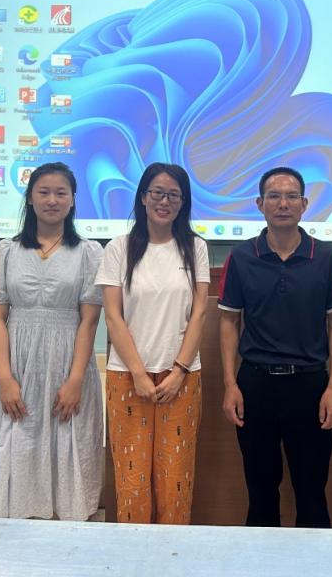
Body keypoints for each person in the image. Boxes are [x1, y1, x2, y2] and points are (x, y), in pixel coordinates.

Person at [218, 166, 332, 527]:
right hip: (255, 385)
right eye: (274, 196)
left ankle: (314, 557)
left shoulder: (326, 257)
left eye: (292, 196)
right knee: (260, 490)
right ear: (259, 204)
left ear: (305, 204)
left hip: (309, 385)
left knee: (311, 491)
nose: (283, 204)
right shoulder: (241, 257)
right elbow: (229, 322)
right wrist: (230, 384)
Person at [0, 162, 105, 520]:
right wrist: (4, 377)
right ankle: (18, 521)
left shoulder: (89, 252)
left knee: (69, 438)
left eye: (61, 193)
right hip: (18, 363)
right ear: (30, 198)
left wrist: (76, 379)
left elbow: (89, 320)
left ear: (73, 199)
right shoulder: (7, 250)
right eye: (44, 192)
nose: (52, 200)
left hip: (68, 361)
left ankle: (68, 522)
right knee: (18, 438)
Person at [97, 162, 210, 524]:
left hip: (182, 377)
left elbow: (199, 313)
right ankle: (134, 552)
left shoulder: (195, 247)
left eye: (174, 195)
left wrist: (178, 371)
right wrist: (139, 374)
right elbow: (113, 316)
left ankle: (171, 552)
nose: (165, 201)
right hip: (127, 377)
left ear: (183, 202)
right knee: (132, 481)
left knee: (175, 479)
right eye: (157, 193)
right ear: (143, 197)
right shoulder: (119, 248)